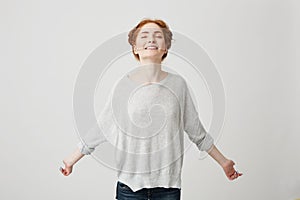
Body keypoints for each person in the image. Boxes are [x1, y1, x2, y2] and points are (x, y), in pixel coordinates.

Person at [60, 18, 243, 200]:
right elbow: (102, 127)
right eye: (144, 36)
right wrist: (71, 160)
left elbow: (197, 132)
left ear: (165, 48)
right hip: (129, 188)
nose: (151, 40)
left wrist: (224, 162)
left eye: (158, 36)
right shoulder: (123, 86)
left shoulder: (178, 85)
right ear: (135, 48)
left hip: (168, 188)